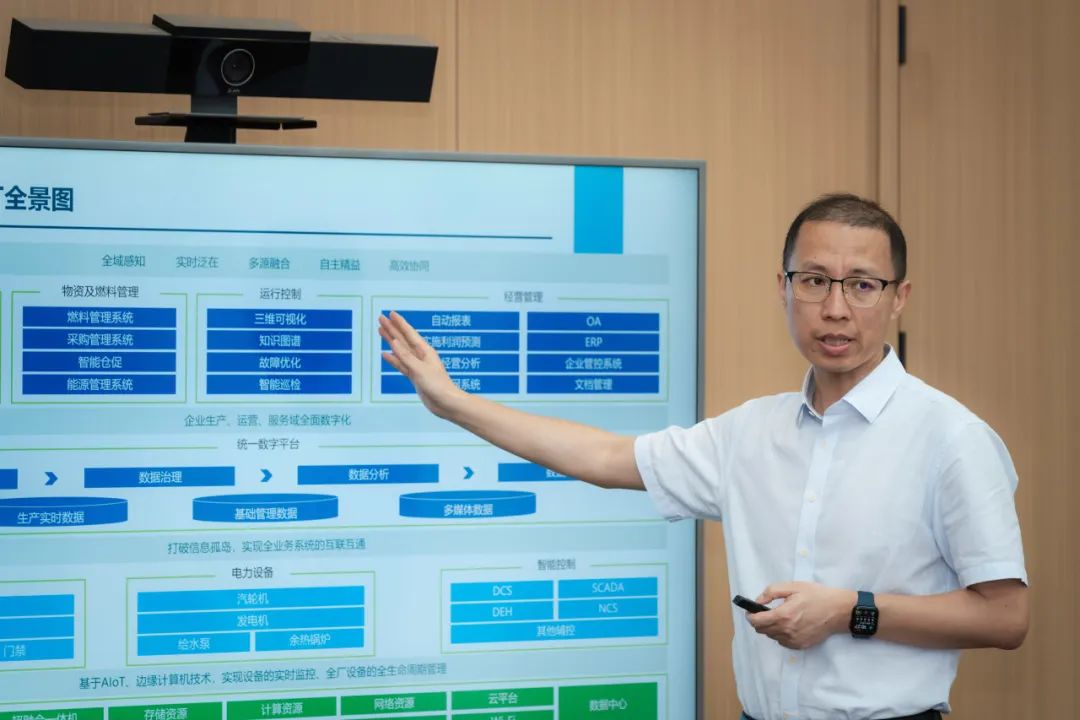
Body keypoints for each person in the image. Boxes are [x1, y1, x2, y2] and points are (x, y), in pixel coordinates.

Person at [378, 193, 1028, 720]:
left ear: (898, 297)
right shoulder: (750, 431)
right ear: (783, 288)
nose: (835, 309)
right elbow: (605, 457)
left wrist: (847, 611)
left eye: (862, 285)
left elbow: (1005, 616)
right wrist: (454, 403)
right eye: (814, 281)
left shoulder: (950, 437)